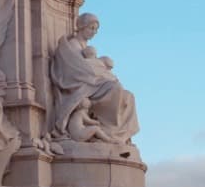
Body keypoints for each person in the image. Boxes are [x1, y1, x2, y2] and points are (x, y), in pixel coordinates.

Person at [51, 13, 139, 144]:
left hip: (93, 83)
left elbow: (91, 67)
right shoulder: (73, 44)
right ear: (81, 26)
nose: (94, 32)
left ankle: (118, 134)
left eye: (96, 29)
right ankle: (108, 131)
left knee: (129, 96)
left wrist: (100, 71)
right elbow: (75, 70)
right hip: (80, 84)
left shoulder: (86, 48)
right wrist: (99, 71)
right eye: (91, 28)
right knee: (115, 88)